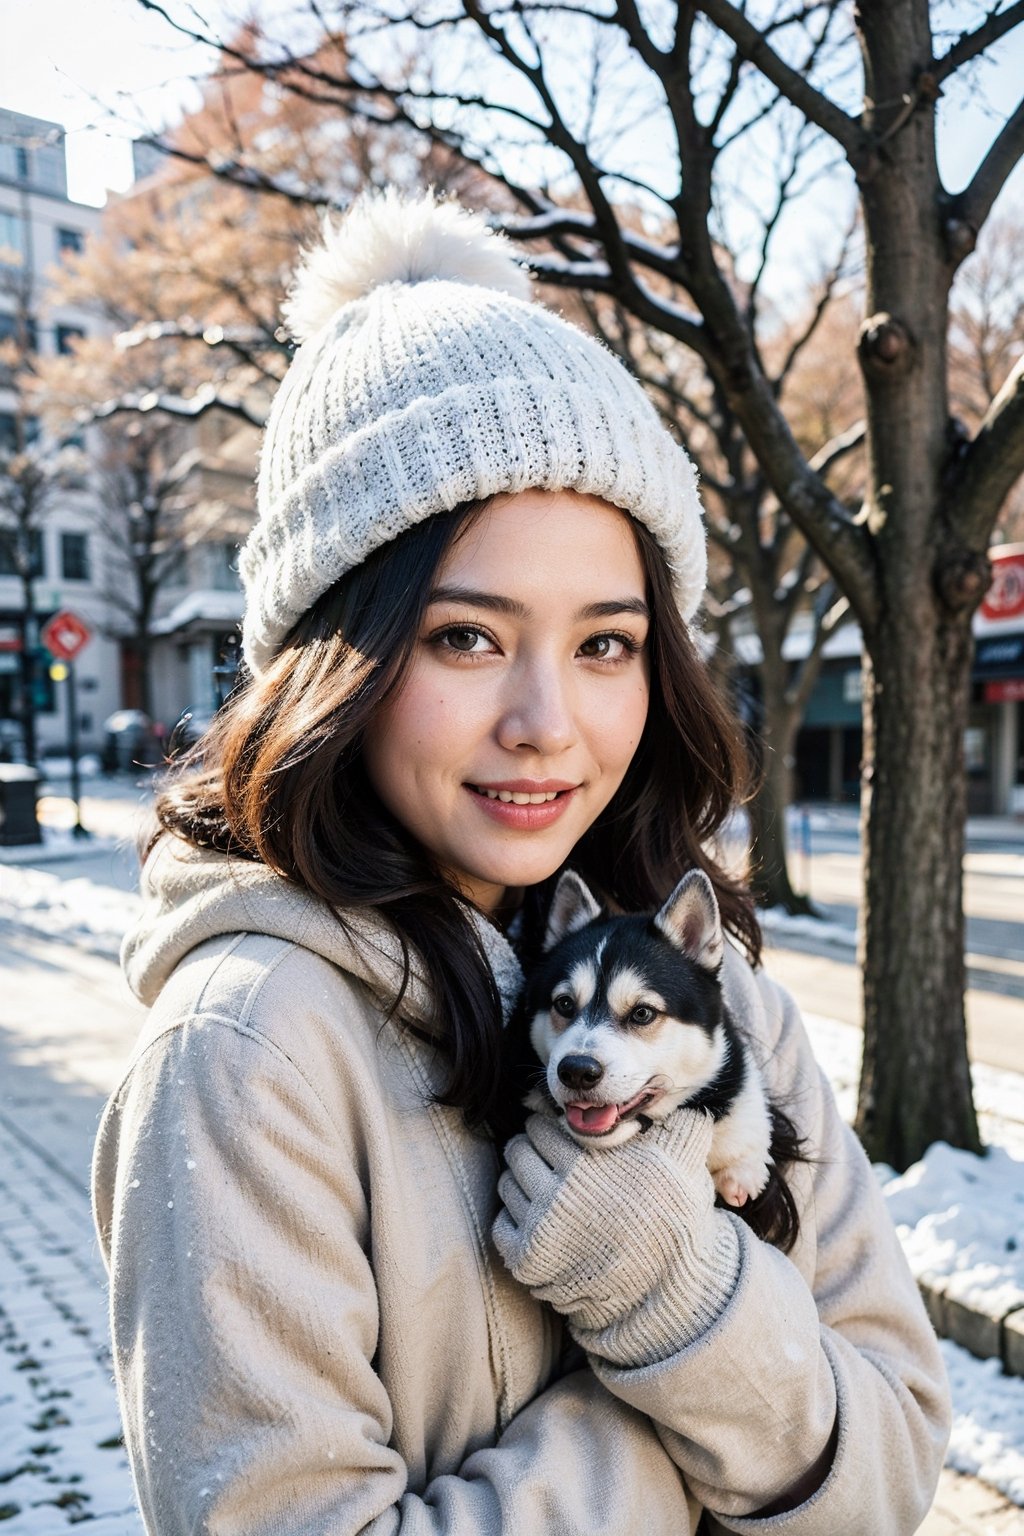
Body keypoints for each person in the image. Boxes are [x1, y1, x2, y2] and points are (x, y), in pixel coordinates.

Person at [92, 188, 951, 1535]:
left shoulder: (720, 1005)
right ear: (339, 664)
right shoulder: (252, 1052)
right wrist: (689, 1406)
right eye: (466, 638)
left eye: (605, 643)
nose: (548, 724)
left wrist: (682, 1293)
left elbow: (897, 1463)